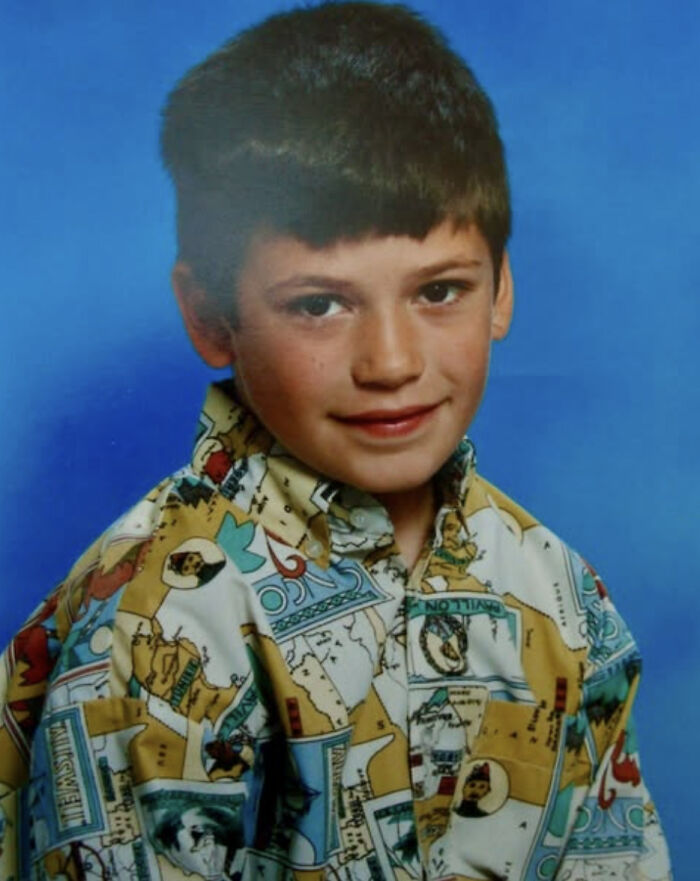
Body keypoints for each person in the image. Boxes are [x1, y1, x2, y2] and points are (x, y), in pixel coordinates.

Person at [0, 2, 672, 879]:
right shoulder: (156, 623)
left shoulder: (561, 594)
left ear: (501, 289)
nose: (391, 362)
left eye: (438, 291)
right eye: (319, 304)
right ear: (211, 316)